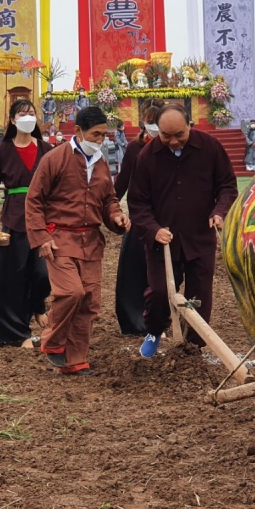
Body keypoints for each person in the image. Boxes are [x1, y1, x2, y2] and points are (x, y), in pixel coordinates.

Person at [25, 106, 129, 375]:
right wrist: (41, 237)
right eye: (96, 134)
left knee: (90, 302)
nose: (100, 140)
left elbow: (109, 200)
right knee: (71, 292)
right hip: (59, 239)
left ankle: (75, 360)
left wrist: (116, 216)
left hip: (91, 241)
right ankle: (53, 341)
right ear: (79, 131)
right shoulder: (54, 159)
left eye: (104, 135)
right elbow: (34, 200)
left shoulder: (102, 163)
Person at [128, 104, 238, 357]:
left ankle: (194, 345)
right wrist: (153, 229)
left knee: (200, 294)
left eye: (179, 135)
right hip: (163, 241)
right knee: (159, 292)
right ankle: (155, 330)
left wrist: (219, 212)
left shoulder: (211, 148)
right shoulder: (147, 156)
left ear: (190, 125)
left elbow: (227, 186)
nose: (174, 141)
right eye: (166, 136)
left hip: (200, 236)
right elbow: (137, 202)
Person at [0, 99, 53, 348]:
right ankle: (19, 332)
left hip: (43, 217)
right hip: (15, 217)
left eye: (31, 113)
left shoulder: (46, 149)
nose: (27, 117)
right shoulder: (3, 150)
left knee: (43, 272)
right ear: (12, 120)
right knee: (16, 274)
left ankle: (37, 305)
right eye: (22, 114)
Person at [113, 106, 160, 337]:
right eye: (151, 122)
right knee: (135, 270)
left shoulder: (174, 147)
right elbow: (122, 181)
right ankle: (134, 320)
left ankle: (161, 319)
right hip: (140, 218)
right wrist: (111, 208)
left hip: (166, 218)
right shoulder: (134, 149)